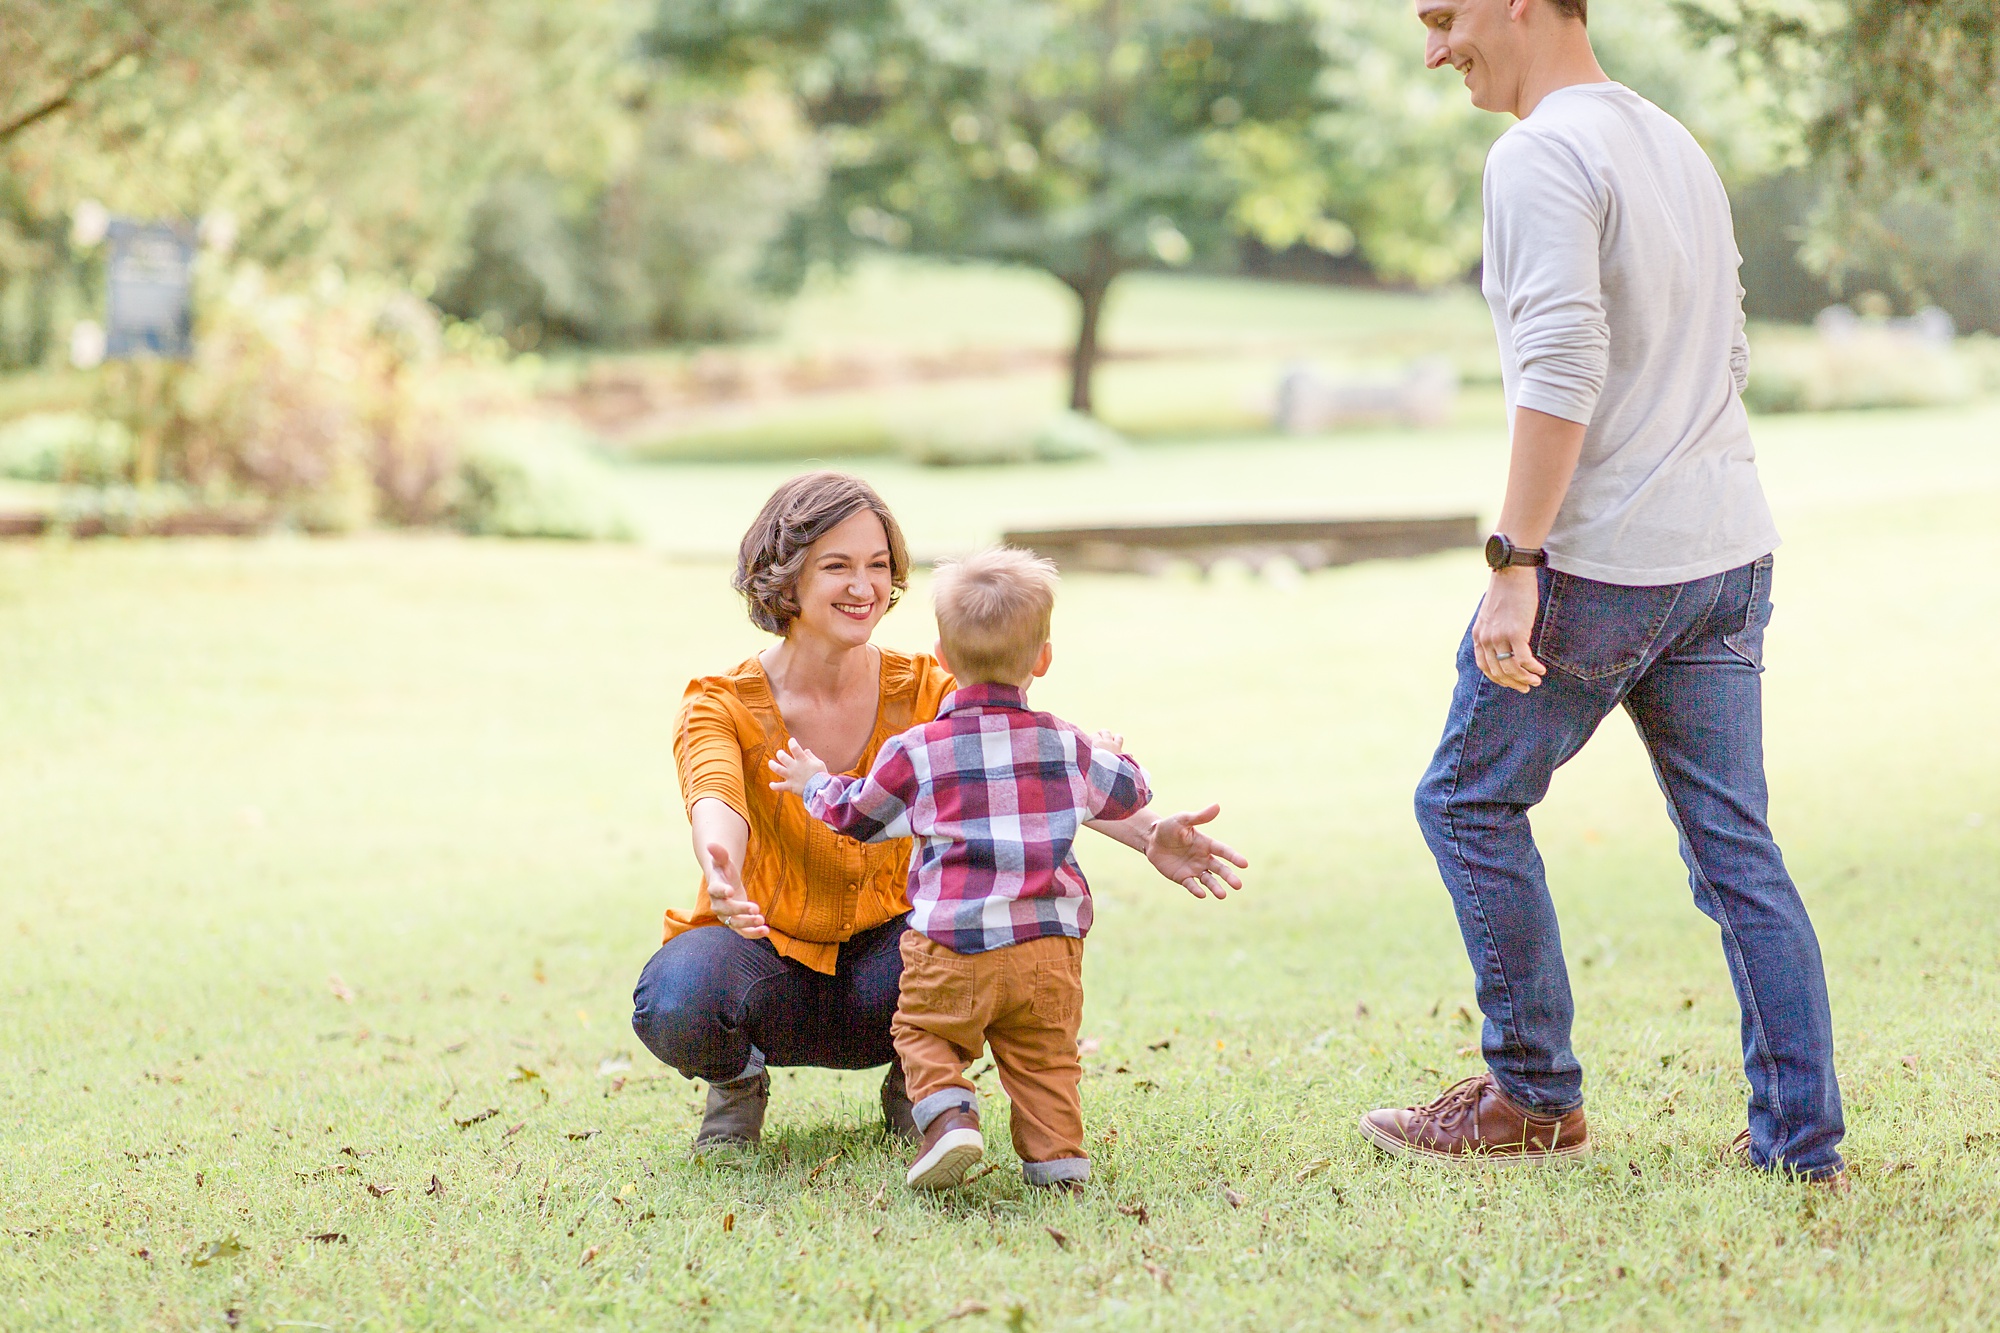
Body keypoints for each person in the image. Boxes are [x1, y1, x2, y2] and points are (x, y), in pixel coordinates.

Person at [1360, 0, 1846, 1185]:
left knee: (1464, 800)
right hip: (1724, 553)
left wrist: (1514, 562)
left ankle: (1530, 1095)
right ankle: (1800, 1144)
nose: (1432, 50)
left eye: (1443, 16)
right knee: (1735, 851)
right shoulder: (1671, 140)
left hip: (1597, 568)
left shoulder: (1538, 151)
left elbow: (1561, 363)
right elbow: (1729, 353)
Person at [630, 473, 1247, 1153]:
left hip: (904, 971)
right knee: (676, 995)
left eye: (878, 565)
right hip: (767, 963)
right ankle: (736, 1085)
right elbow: (714, 792)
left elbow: (1032, 765)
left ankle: (921, 1085)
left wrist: (1150, 833)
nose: (864, 586)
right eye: (837, 566)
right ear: (784, 576)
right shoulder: (719, 701)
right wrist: (720, 864)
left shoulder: (928, 688)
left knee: (991, 940)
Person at [771, 547, 1239, 1191]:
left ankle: (950, 1118)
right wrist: (1110, 753)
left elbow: (859, 817)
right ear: (1042, 659)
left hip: (951, 944)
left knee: (923, 1033)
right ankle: (1059, 1168)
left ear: (942, 656)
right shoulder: (1067, 744)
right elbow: (1130, 793)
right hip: (1048, 950)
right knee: (1046, 1061)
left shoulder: (917, 751)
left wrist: (813, 783)